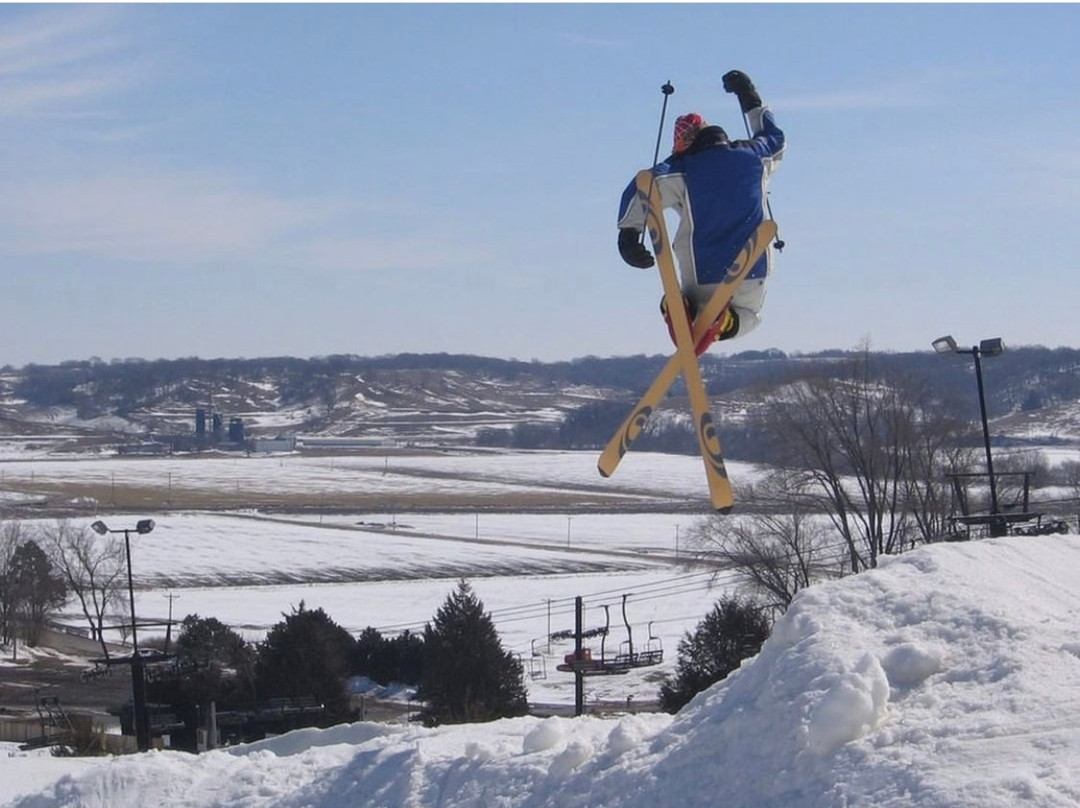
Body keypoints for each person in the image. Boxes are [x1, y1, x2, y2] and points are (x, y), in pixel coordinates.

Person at [616, 70, 785, 356]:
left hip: (703, 274)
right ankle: (725, 322)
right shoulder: (755, 157)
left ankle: (678, 307)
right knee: (751, 317)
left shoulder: (684, 169)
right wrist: (749, 96)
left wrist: (629, 235)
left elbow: (644, 185)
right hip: (752, 270)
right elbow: (775, 138)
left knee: (687, 304)